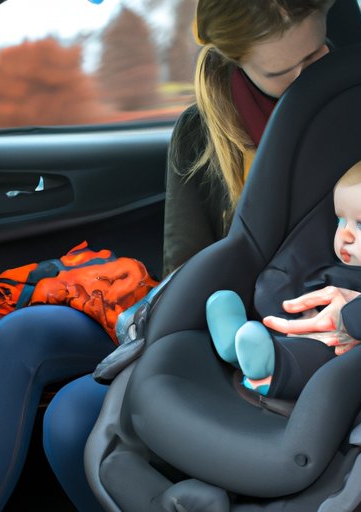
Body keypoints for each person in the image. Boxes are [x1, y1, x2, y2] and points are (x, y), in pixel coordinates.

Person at [40, 0, 336, 510]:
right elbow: (187, 272)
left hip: (330, 339)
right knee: (71, 416)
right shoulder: (201, 133)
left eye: (316, 55)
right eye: (280, 71)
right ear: (234, 59)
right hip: (230, 336)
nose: (307, 78)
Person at [206, 146, 361, 397]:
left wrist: (356, 318)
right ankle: (237, 344)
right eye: (341, 220)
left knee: (321, 354)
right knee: (270, 294)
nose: (345, 235)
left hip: (339, 347)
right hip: (299, 323)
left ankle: (267, 367)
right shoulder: (347, 261)